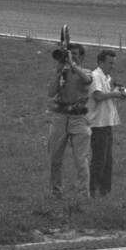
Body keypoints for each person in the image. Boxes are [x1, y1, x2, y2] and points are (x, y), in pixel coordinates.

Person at [46, 42, 93, 199]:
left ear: (82, 56)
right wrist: (58, 72)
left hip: (79, 117)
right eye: (69, 54)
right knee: (54, 157)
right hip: (60, 116)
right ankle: (55, 192)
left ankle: (82, 195)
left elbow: (87, 80)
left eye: (75, 54)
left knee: (81, 159)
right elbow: (51, 93)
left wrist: (73, 65)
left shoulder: (85, 71)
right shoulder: (62, 72)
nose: (71, 56)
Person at [87, 50, 126, 197]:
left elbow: (106, 95)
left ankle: (105, 190)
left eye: (113, 63)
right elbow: (97, 96)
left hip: (107, 122)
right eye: (110, 63)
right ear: (101, 62)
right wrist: (114, 94)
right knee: (99, 159)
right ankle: (91, 190)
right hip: (98, 124)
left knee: (108, 160)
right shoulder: (95, 76)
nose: (112, 66)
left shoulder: (107, 77)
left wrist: (117, 93)